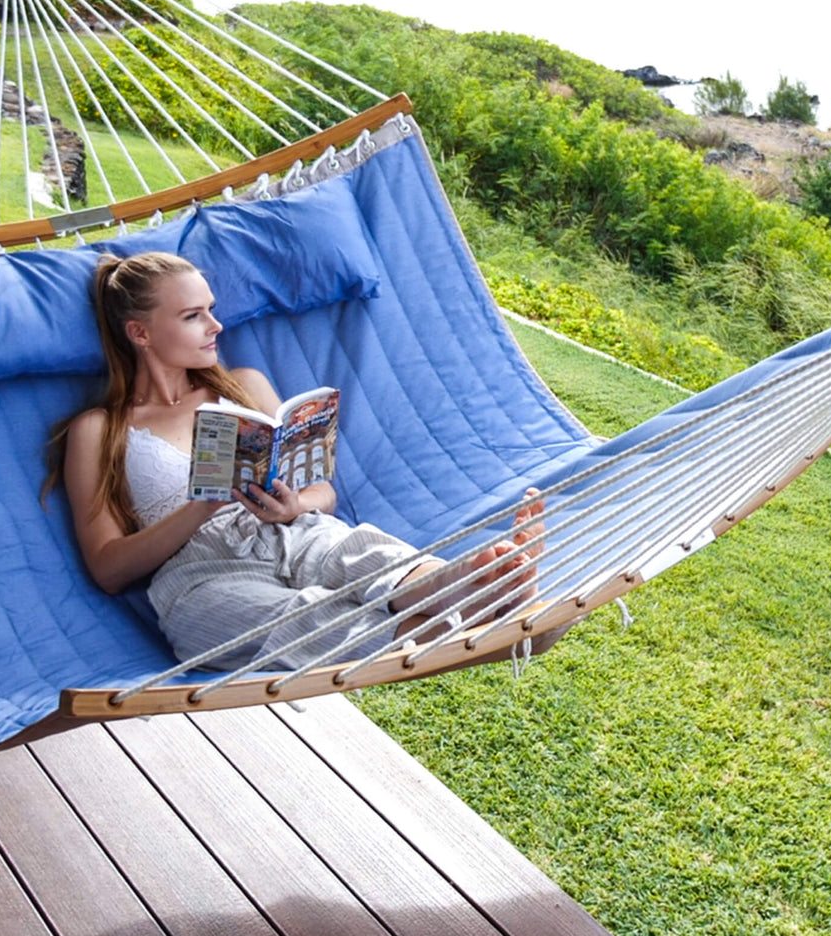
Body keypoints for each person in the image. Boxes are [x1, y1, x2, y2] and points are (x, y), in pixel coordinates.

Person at [50, 251, 545, 671]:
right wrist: (202, 505)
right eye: (192, 316)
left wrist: (292, 506)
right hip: (201, 575)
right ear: (140, 333)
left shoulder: (242, 387)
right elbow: (108, 569)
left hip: (292, 531)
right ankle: (479, 613)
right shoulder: (100, 429)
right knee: (297, 617)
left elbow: (323, 492)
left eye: (211, 309)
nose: (216, 325)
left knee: (362, 552)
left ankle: (463, 583)